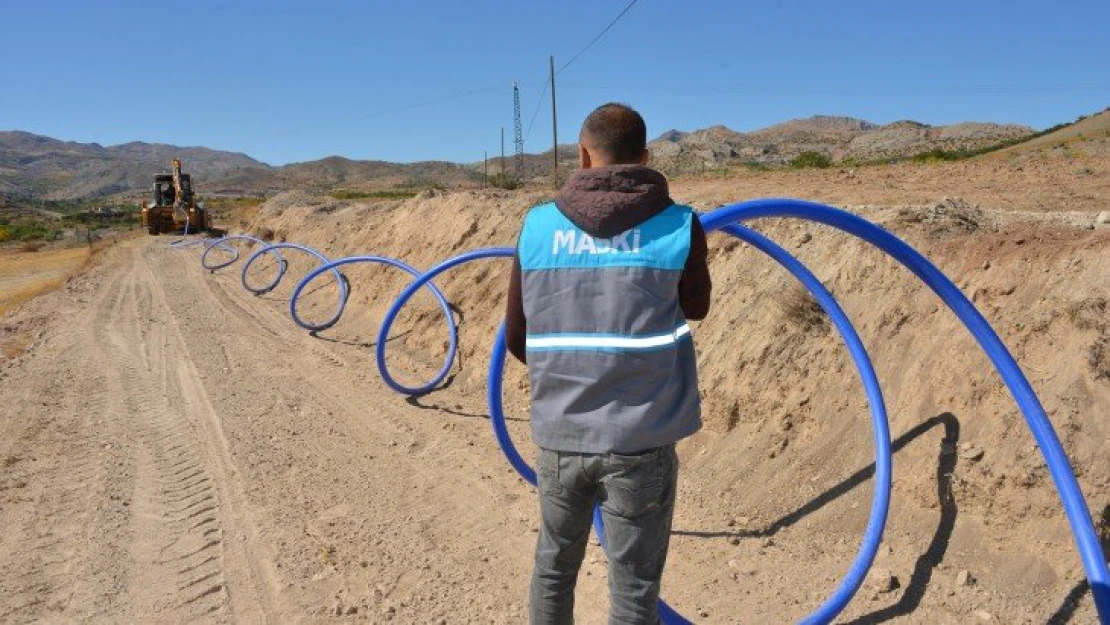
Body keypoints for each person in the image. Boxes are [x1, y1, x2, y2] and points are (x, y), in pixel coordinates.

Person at [505, 102, 712, 624]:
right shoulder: (680, 224)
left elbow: (516, 339)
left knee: (554, 568)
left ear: (582, 155)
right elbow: (697, 308)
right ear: (644, 158)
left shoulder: (537, 226)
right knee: (635, 588)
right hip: (640, 440)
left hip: (561, 434)